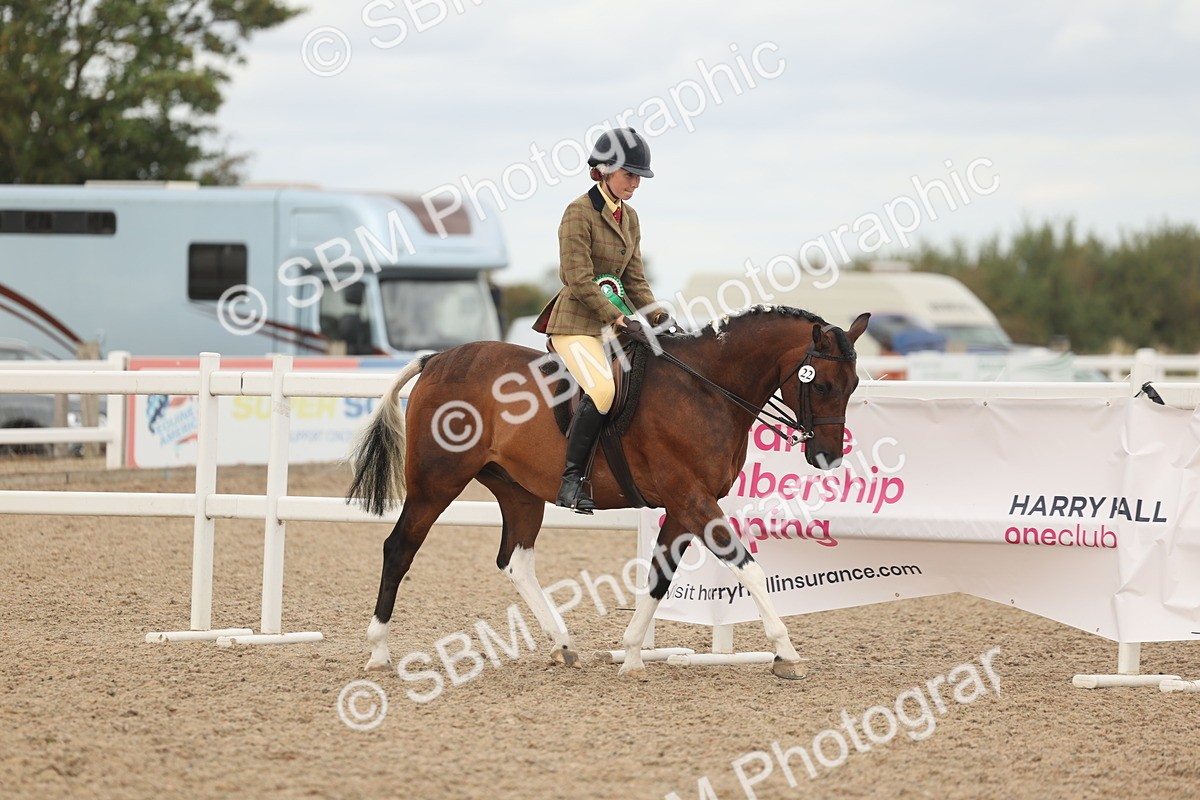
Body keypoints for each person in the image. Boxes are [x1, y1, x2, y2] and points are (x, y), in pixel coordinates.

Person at [532, 127, 672, 514]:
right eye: (630, 175)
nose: (636, 184)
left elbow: (634, 280)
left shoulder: (630, 217)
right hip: (575, 325)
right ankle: (571, 480)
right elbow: (576, 278)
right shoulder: (578, 213)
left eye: (639, 177)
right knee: (604, 390)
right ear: (604, 170)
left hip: (616, 323)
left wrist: (658, 316)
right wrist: (619, 318)